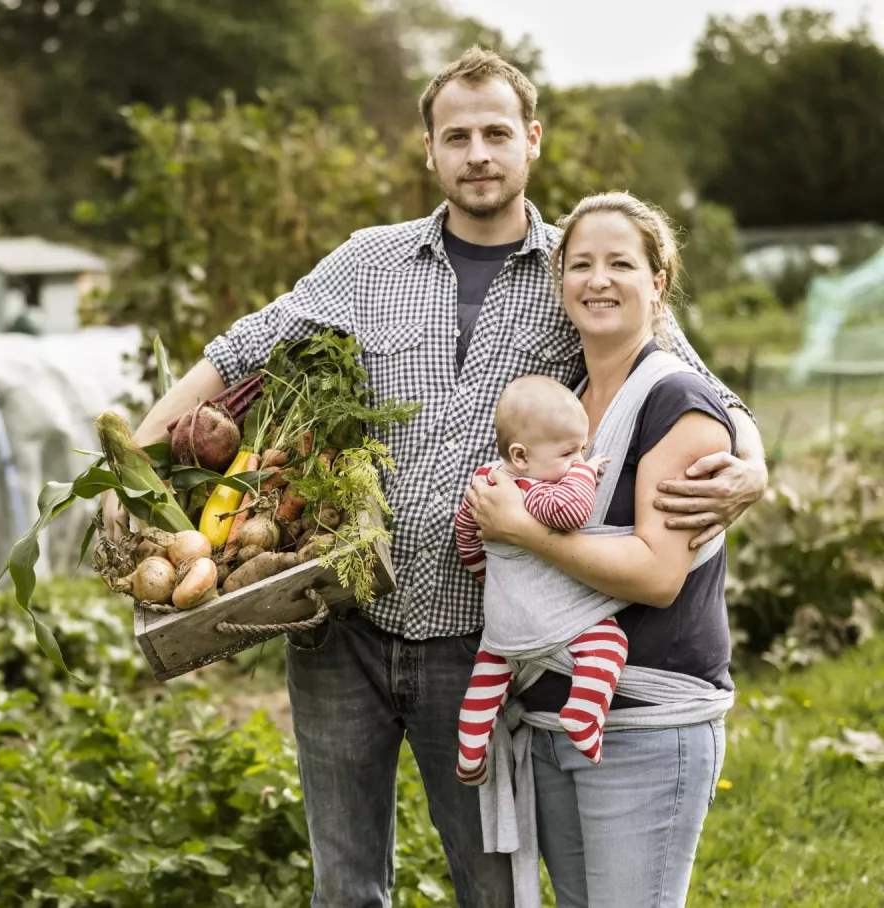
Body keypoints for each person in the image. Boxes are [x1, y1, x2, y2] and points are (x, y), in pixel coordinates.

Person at [102, 47, 768, 907]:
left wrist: (751, 466)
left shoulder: (583, 269)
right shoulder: (367, 262)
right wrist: (138, 470)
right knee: (345, 888)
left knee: (492, 885)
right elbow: (240, 350)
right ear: (430, 151)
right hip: (343, 621)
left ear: (532, 140)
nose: (479, 153)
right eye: (457, 136)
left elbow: (695, 382)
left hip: (482, 637)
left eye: (497, 132)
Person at [465, 192, 743, 908]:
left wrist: (520, 529)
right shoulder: (565, 405)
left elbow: (656, 574)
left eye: (621, 263)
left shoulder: (676, 402)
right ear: (560, 283)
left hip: (647, 726)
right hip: (558, 722)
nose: (598, 279)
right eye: (581, 263)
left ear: (659, 281)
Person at [451, 375, 623, 787]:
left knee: (488, 679)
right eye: (569, 452)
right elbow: (571, 513)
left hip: (500, 625)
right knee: (610, 643)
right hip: (550, 621)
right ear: (521, 456)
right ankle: (583, 715)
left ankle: (470, 753)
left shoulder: (485, 482)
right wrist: (584, 473)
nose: (579, 457)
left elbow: (464, 535)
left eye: (582, 448)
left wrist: (484, 575)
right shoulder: (533, 490)